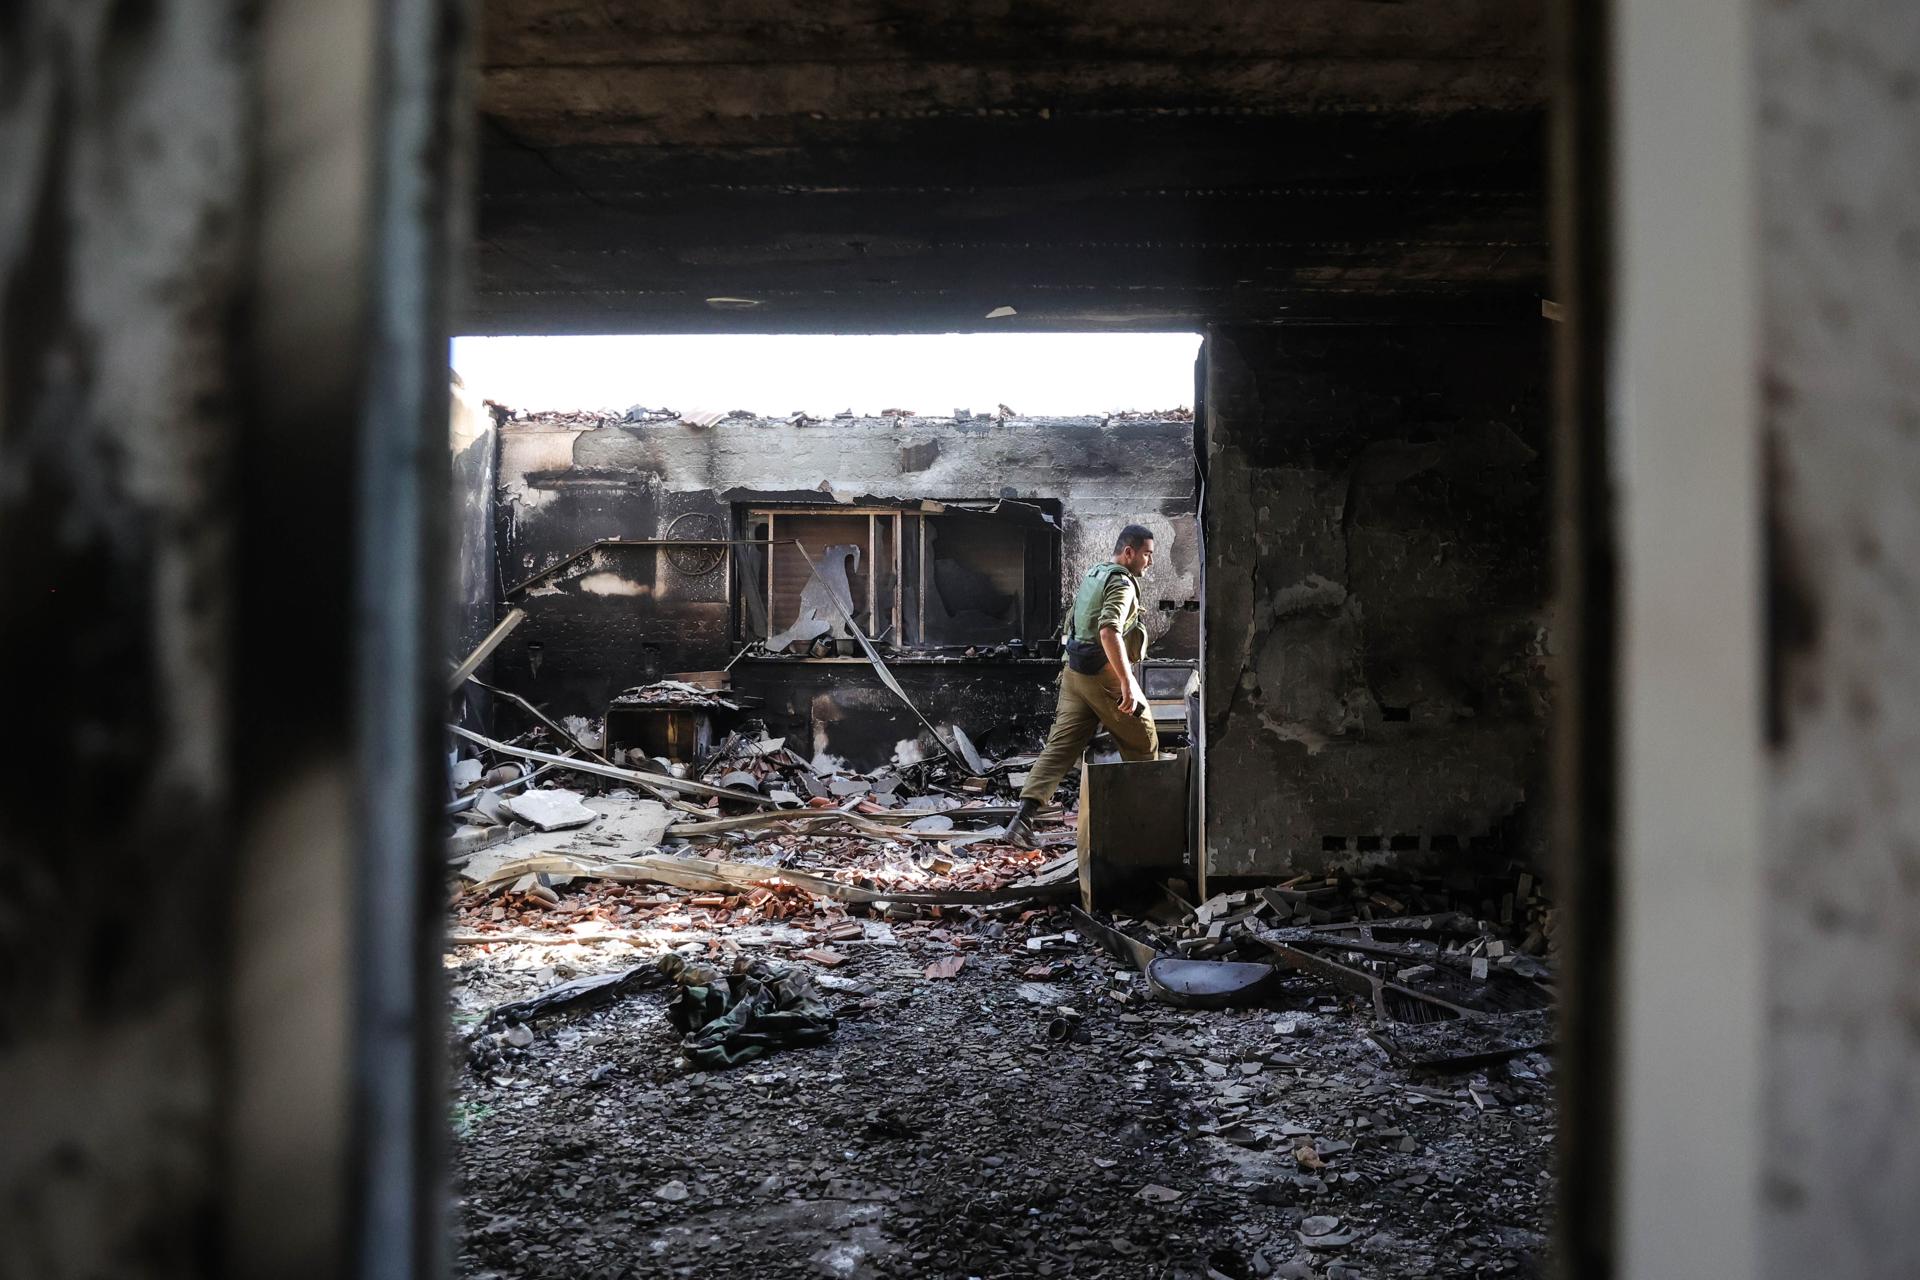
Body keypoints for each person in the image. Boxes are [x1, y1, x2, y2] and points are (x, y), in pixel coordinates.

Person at [1004, 524, 1159, 846]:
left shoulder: (1095, 573)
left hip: (1074, 673)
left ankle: (1021, 821)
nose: (1149, 561)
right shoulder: (1121, 582)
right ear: (1129, 552)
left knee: (1060, 748)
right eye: (1147, 554)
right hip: (1103, 676)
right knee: (1144, 745)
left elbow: (1074, 622)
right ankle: (1146, 831)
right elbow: (1108, 631)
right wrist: (1127, 683)